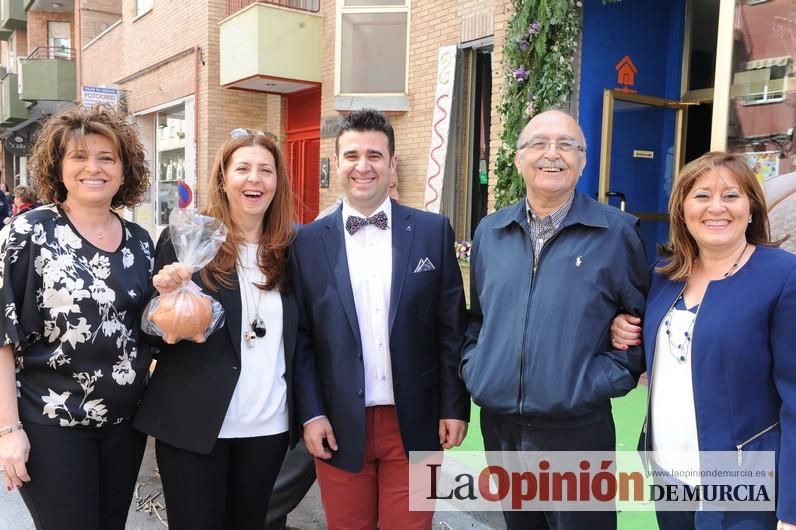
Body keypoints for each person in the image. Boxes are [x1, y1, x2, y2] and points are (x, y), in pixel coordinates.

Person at [460, 109, 648, 530]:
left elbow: (638, 325)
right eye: (539, 143)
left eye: (567, 145)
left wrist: (593, 384)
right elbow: (479, 318)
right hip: (501, 425)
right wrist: (477, 369)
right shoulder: (491, 232)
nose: (553, 154)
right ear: (518, 159)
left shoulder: (617, 234)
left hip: (577, 430)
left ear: (583, 162)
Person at [291, 108, 469, 529]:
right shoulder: (306, 242)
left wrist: (454, 406)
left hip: (418, 420)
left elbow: (451, 328)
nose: (363, 165)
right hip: (337, 422)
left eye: (375, 154)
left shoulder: (432, 231)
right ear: (337, 164)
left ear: (392, 163)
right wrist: (311, 413)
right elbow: (301, 340)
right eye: (351, 155)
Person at [610, 151, 796, 530]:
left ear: (751, 207)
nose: (717, 208)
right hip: (667, 473)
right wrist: (622, 330)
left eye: (731, 195)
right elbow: (674, 355)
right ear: (682, 209)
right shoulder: (664, 274)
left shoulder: (782, 276)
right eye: (701, 196)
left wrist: (790, 510)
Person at [133, 128, 299, 530]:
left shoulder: (293, 248)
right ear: (223, 178)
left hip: (267, 426)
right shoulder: (186, 242)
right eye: (242, 168)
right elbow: (153, 335)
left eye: (266, 170)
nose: (254, 179)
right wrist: (167, 299)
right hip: (193, 425)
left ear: (278, 182)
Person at [0, 105, 154, 529]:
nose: (94, 168)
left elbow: (149, 329)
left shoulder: (140, 242)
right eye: (79, 156)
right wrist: (8, 431)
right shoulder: (28, 233)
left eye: (107, 158)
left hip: (125, 425)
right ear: (58, 166)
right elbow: (2, 335)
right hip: (52, 423)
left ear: (125, 171)